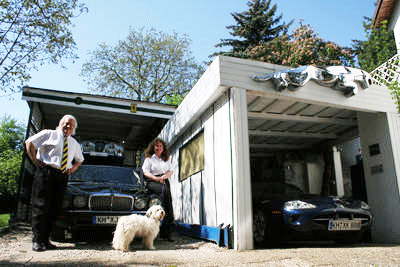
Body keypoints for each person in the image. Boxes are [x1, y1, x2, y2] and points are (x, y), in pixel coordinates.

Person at [25, 114, 84, 251]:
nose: (68, 127)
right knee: (41, 206)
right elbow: (29, 143)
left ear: (74, 129)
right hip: (46, 173)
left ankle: (46, 240)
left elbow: (80, 160)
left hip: (62, 176)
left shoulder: (74, 143)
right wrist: (35, 160)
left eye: (72, 125)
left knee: (55, 208)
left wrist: (72, 169)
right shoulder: (48, 134)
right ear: (60, 123)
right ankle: (37, 240)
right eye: (66, 123)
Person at [142, 137, 175, 241]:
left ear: (163, 148)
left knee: (168, 203)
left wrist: (163, 177)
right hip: (152, 181)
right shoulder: (149, 159)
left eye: (160, 146)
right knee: (164, 192)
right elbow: (146, 172)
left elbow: (170, 171)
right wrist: (157, 178)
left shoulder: (166, 159)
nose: (158, 148)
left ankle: (167, 233)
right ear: (153, 147)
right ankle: (152, 231)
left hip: (164, 181)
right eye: (157, 146)